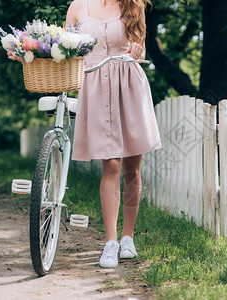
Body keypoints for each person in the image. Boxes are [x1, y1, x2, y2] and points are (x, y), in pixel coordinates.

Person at [65, 0, 162, 268]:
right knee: (110, 164)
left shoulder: (134, 6)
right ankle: (110, 242)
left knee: (132, 168)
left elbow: (139, 47)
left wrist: (138, 49)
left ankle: (128, 237)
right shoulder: (78, 7)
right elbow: (65, 48)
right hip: (94, 85)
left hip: (129, 85)